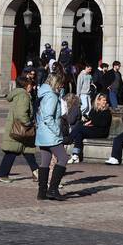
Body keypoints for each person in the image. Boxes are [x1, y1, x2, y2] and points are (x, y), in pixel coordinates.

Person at [34, 66, 71, 201]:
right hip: (50, 133)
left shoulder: (43, 94)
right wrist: (57, 131)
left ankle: (42, 192)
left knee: (45, 161)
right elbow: (48, 117)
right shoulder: (52, 96)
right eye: (61, 83)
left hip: (42, 133)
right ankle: (53, 189)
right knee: (63, 158)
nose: (62, 86)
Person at [0, 74, 37, 183]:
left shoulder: (18, 94)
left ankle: (36, 172)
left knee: (27, 150)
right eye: (30, 84)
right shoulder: (24, 96)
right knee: (13, 151)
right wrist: (28, 123)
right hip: (20, 128)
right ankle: (2, 174)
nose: (32, 87)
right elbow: (21, 114)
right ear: (26, 85)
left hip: (15, 127)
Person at [68, 93, 112, 163]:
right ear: (98, 101)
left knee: (80, 128)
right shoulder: (93, 110)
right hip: (93, 130)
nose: (105, 102)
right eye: (103, 100)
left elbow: (103, 124)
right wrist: (87, 122)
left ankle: (68, 139)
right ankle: (76, 155)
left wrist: (91, 122)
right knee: (79, 134)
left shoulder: (107, 112)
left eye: (105, 100)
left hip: (101, 132)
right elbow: (90, 120)